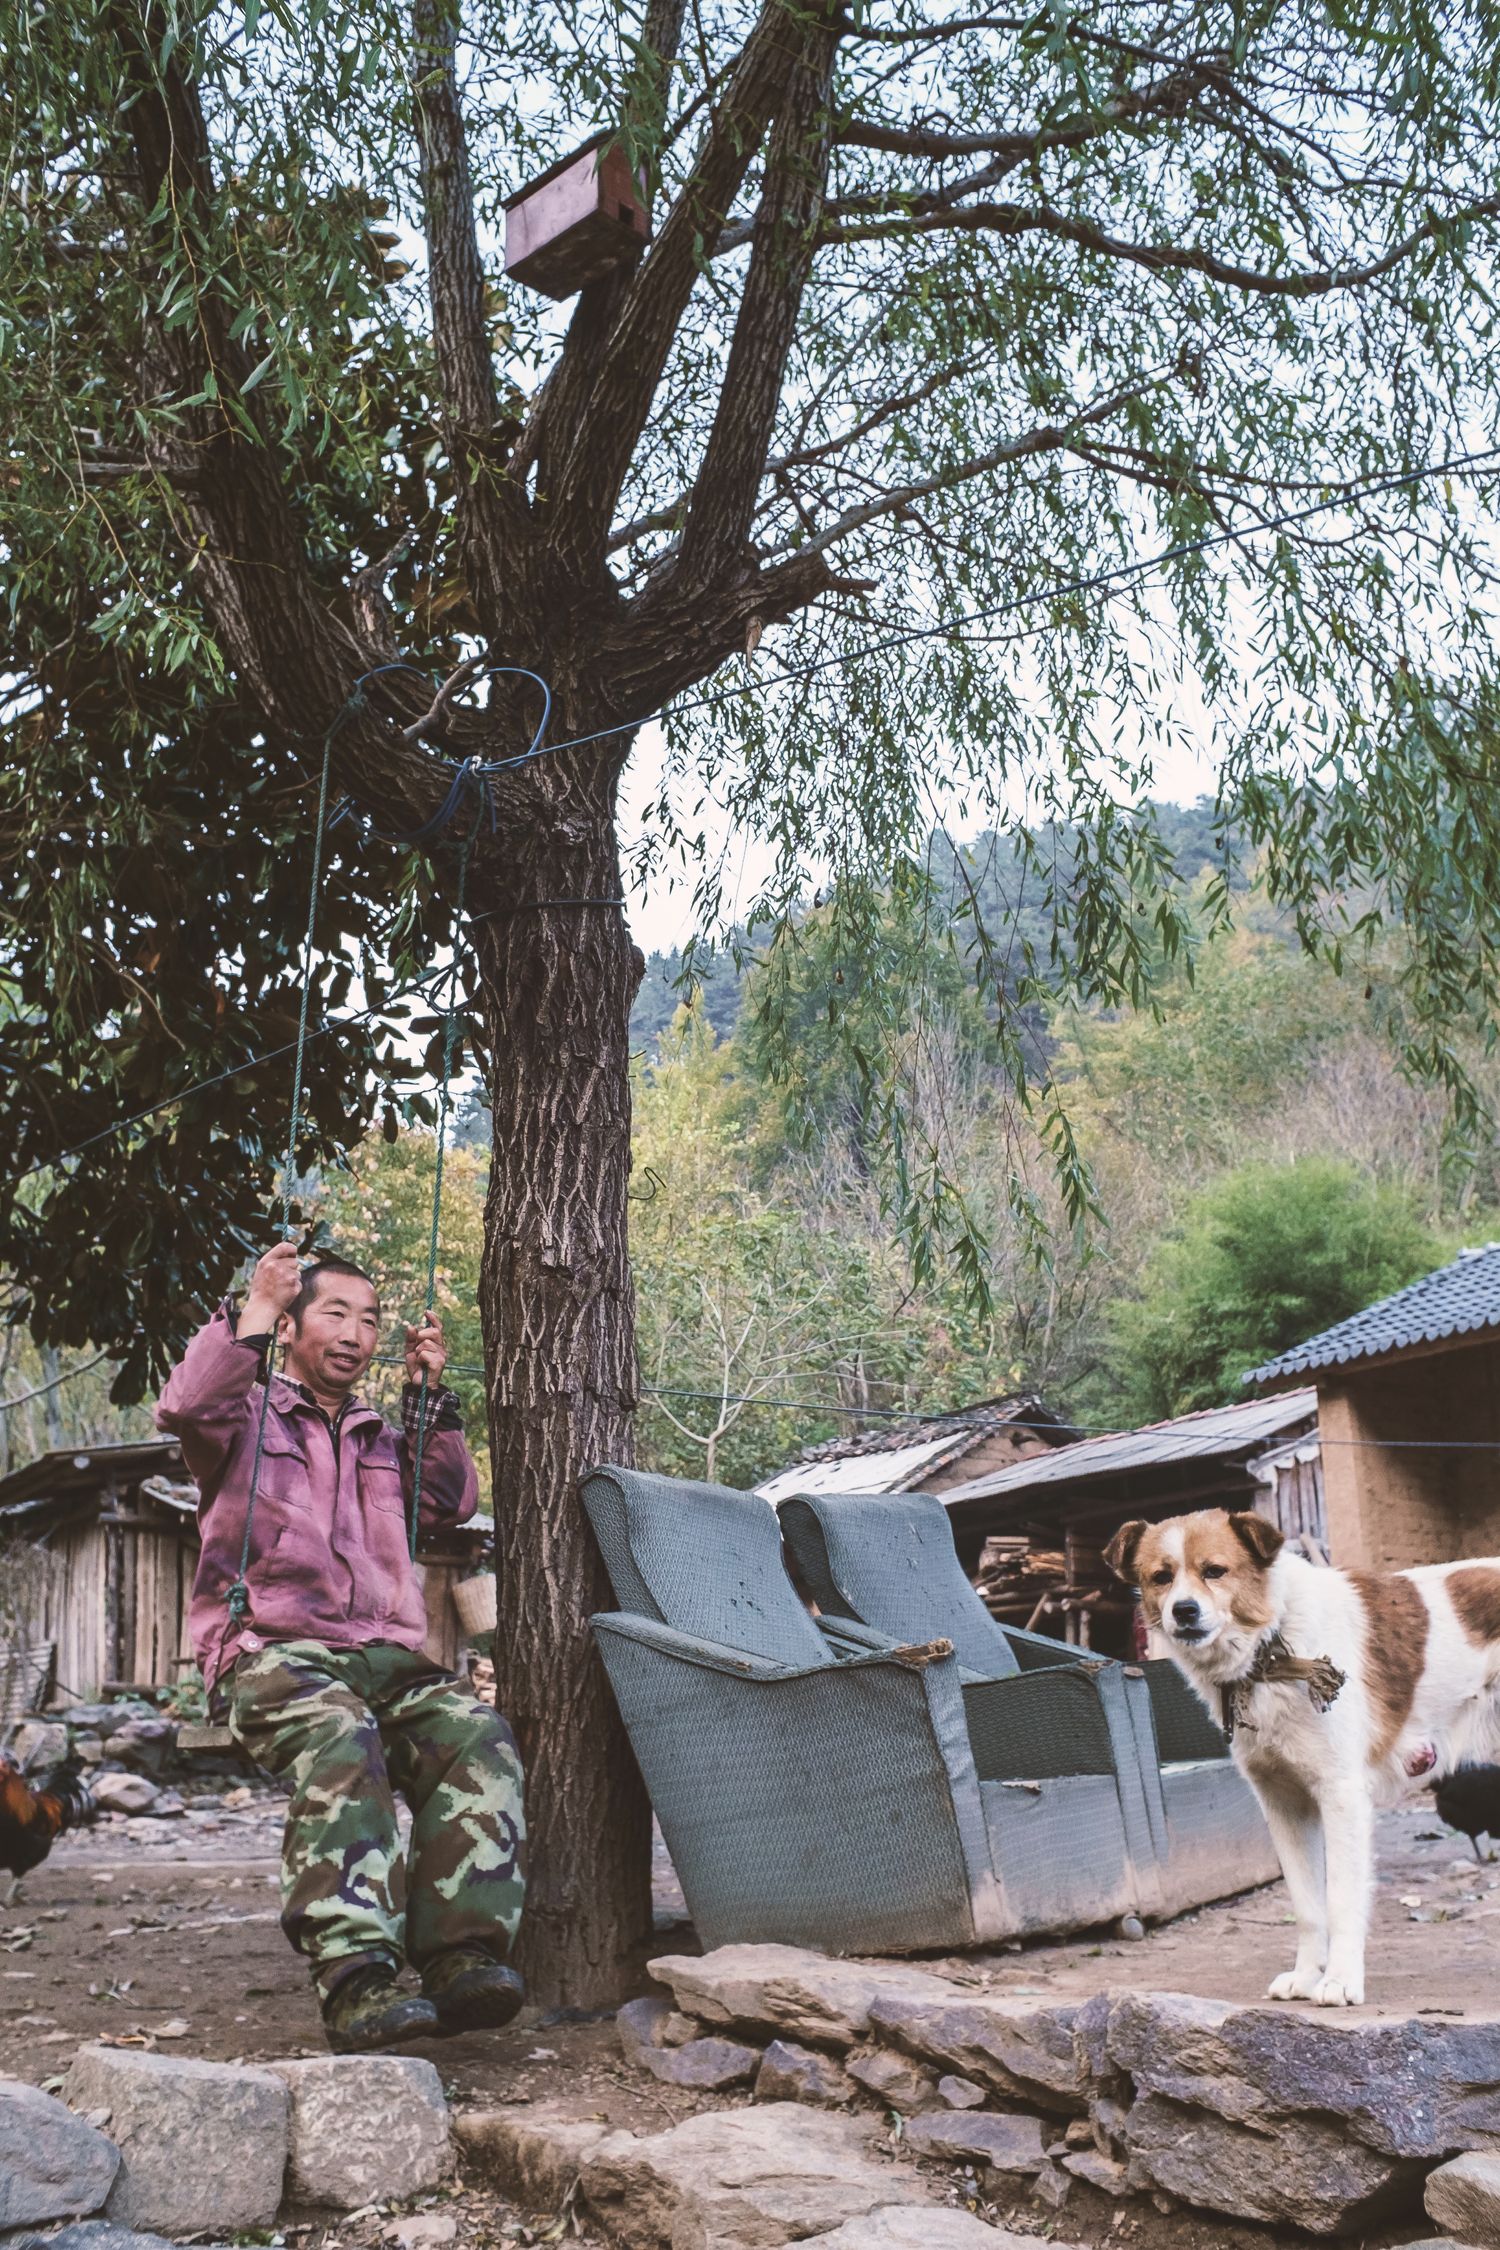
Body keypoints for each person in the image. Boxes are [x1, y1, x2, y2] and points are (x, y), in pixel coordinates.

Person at [157, 1241, 526, 2053]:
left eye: (369, 1319)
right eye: (335, 1312)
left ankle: (460, 1956)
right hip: (269, 1651)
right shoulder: (243, 1418)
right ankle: (355, 1980)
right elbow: (185, 1406)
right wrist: (254, 1303)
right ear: (288, 1326)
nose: (356, 1332)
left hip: (382, 1659)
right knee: (339, 1732)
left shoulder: (380, 1439)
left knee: (478, 1734)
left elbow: (448, 1499)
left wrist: (429, 1398)